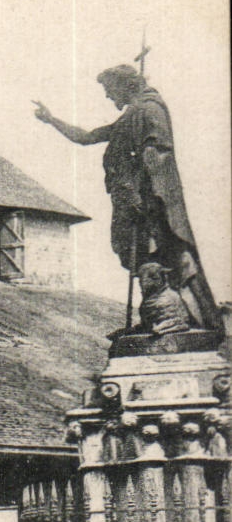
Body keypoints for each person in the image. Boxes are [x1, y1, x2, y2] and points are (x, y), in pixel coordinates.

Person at [34, 65, 218, 331]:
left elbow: (156, 153)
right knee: (136, 255)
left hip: (145, 201)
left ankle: (175, 317)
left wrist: (138, 190)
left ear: (125, 85)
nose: (109, 97)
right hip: (128, 199)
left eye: (109, 90)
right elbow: (87, 137)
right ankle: (154, 316)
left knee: (153, 254)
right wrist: (51, 119)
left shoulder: (148, 109)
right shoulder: (130, 115)